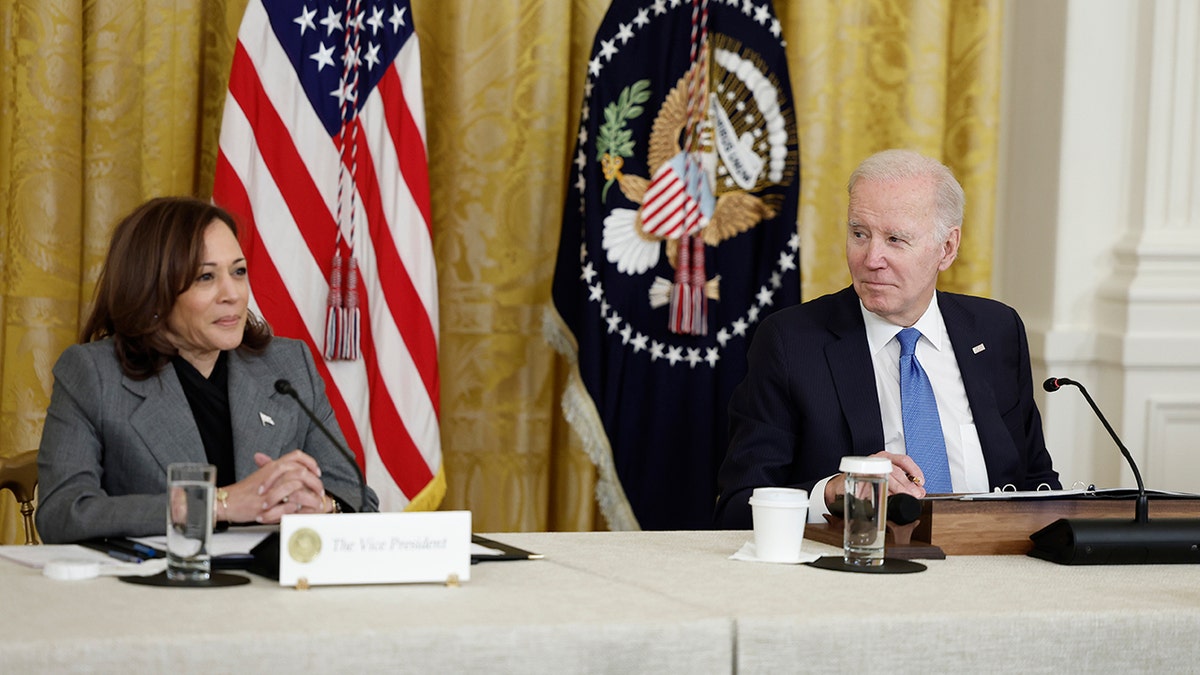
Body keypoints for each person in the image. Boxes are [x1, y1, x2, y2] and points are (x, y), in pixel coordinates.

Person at [714, 149, 1059, 529]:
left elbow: (1035, 483)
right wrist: (831, 493)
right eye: (859, 233)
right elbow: (737, 505)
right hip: (862, 574)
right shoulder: (791, 342)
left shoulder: (996, 330)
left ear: (947, 248)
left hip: (990, 564)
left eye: (895, 239)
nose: (871, 258)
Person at [36, 197, 378, 543]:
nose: (232, 294)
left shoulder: (287, 366)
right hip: (158, 587)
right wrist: (218, 504)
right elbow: (63, 513)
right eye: (206, 277)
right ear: (153, 291)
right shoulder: (94, 375)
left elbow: (355, 495)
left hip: (271, 588)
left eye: (239, 271)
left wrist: (322, 505)